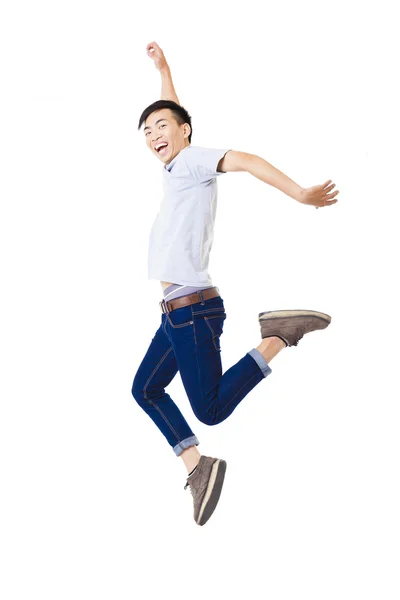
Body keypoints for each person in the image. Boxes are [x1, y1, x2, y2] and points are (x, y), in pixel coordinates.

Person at [132, 41, 339, 526]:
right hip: (175, 313)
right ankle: (197, 466)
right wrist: (164, 70)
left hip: (192, 312)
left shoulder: (194, 160)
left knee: (211, 410)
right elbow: (176, 116)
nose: (153, 134)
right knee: (145, 389)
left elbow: (244, 159)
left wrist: (300, 194)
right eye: (146, 130)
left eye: (162, 126)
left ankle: (277, 337)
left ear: (185, 132)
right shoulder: (176, 169)